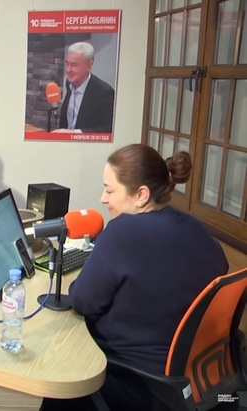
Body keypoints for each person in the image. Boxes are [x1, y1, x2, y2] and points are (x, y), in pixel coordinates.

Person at [41, 144, 228, 411]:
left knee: (55, 375)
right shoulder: (197, 229)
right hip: (191, 382)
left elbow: (83, 301)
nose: (103, 199)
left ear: (141, 195)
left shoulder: (123, 232)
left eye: (109, 190)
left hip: (136, 382)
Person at [53, 42, 115, 134]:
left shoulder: (104, 92)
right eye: (67, 64)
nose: (68, 70)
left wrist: (74, 134)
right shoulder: (69, 83)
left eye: (74, 65)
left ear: (89, 66)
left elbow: (108, 129)